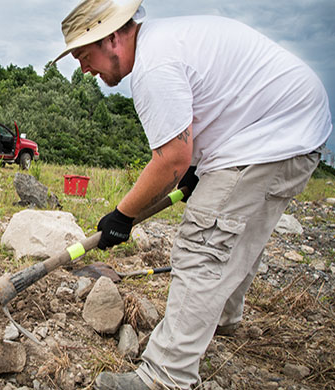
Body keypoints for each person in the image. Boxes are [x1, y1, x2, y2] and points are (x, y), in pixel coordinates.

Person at [52, 1, 332, 389]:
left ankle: (164, 376)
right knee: (239, 232)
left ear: (113, 36)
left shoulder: (153, 66)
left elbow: (170, 161)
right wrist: (200, 171)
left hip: (273, 133)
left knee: (203, 244)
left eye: (85, 55)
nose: (83, 68)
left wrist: (123, 216)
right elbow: (207, 120)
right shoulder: (169, 41)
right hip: (297, 126)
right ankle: (221, 318)